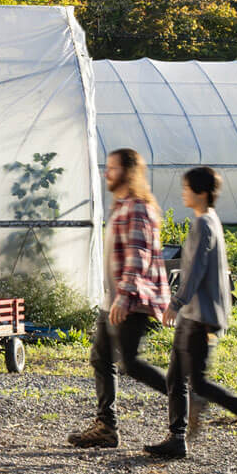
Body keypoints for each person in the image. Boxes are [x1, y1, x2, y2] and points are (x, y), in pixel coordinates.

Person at [145, 165, 237, 461]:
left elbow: (197, 268)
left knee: (196, 382)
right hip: (196, 312)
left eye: (187, 188)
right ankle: (177, 438)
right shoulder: (208, 219)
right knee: (177, 376)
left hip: (199, 315)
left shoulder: (203, 225)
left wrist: (177, 301)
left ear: (200, 192)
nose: (183, 192)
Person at [68, 148, 171, 449]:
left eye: (111, 168)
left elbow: (138, 257)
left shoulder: (137, 208)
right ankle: (106, 427)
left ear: (127, 172)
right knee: (102, 358)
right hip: (114, 300)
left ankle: (186, 396)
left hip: (130, 301)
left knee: (129, 363)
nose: (106, 173)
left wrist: (125, 297)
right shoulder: (122, 206)